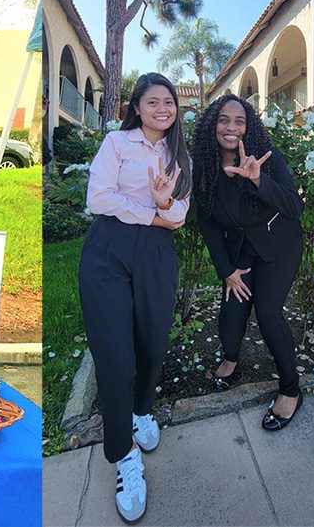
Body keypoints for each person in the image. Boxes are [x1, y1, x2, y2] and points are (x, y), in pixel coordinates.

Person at [77, 72, 192, 524]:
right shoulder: (118, 145)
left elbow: (179, 217)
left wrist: (164, 206)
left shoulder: (179, 154)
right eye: (153, 101)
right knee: (115, 358)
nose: (163, 108)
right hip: (108, 251)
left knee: (151, 342)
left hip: (156, 257)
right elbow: (98, 198)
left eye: (169, 102)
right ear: (137, 106)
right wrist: (151, 213)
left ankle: (142, 411)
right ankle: (124, 457)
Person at [192, 95, 305, 431]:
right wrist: (225, 270)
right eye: (224, 120)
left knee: (268, 313)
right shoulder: (205, 170)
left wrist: (257, 179)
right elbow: (208, 225)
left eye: (239, 121)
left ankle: (290, 389)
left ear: (248, 126)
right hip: (241, 252)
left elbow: (294, 207)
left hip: (279, 246)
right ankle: (231, 359)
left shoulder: (268, 160)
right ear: (213, 126)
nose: (231, 127)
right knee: (231, 310)